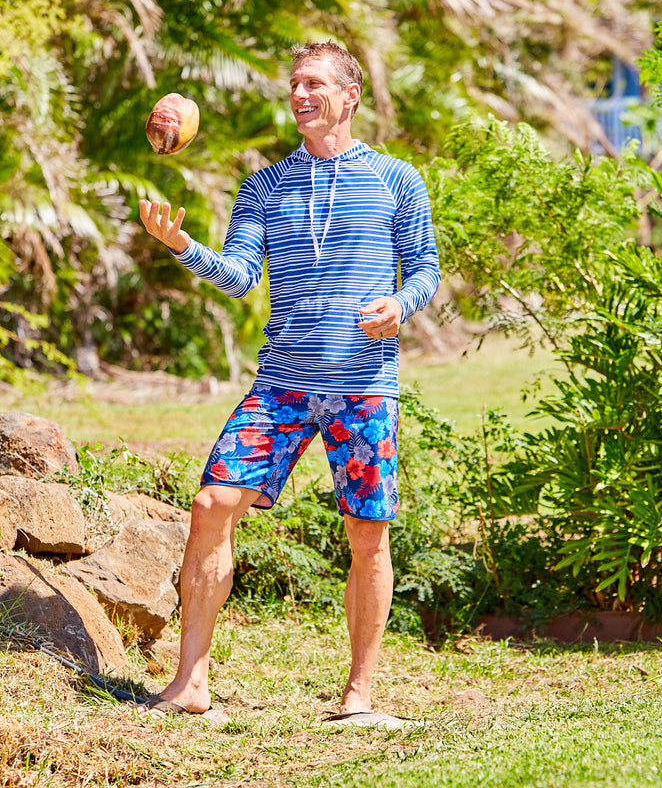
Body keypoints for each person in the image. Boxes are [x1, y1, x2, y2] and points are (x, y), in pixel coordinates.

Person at [136, 41, 440, 720]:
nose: (300, 94)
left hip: (365, 385)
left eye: (314, 83)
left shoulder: (397, 179)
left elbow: (425, 267)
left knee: (368, 535)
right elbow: (242, 275)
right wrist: (183, 247)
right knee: (212, 505)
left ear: (350, 94)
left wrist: (402, 304)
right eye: (294, 83)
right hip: (283, 384)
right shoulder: (265, 187)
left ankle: (358, 697)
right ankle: (190, 686)